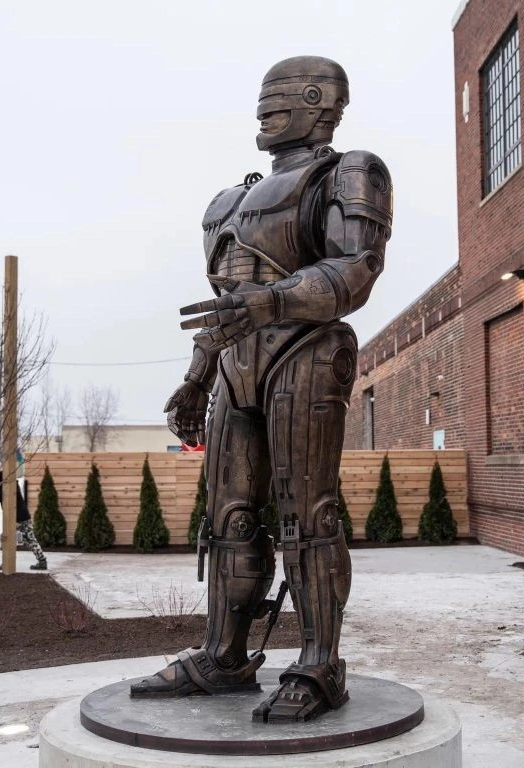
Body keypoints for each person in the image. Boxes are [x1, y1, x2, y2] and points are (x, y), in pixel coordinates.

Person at [130, 56, 392, 723]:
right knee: (228, 519)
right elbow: (227, 301)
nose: (265, 109)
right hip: (235, 364)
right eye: (263, 98)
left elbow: (355, 269)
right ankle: (224, 654)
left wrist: (272, 303)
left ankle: (320, 663)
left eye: (283, 96)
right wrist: (197, 376)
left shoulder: (350, 172)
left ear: (322, 101)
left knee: (307, 512)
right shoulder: (229, 200)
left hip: (305, 351)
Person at [0, 471, 47, 571]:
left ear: (2, 481)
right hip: (24, 517)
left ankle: (6, 563)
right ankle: (42, 561)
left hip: (15, 519)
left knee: (6, 539)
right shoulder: (12, 484)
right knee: (31, 539)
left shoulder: (6, 489)